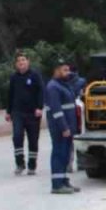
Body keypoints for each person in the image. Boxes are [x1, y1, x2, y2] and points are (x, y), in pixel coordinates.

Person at [45, 60, 81, 194]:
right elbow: (57, 110)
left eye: (68, 70)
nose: (68, 72)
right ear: (57, 70)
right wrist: (64, 127)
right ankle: (57, 185)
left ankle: (64, 181)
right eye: (65, 70)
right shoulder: (53, 87)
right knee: (59, 154)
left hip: (68, 126)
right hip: (60, 127)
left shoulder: (64, 85)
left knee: (66, 155)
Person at [5, 52, 43, 175]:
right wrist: (8, 111)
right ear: (16, 64)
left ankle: (32, 165)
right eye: (19, 61)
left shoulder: (35, 76)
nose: (21, 62)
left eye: (23, 60)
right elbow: (10, 95)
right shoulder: (14, 78)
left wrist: (39, 107)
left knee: (33, 140)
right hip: (17, 113)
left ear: (28, 62)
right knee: (17, 136)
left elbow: (41, 92)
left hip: (33, 113)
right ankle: (20, 163)